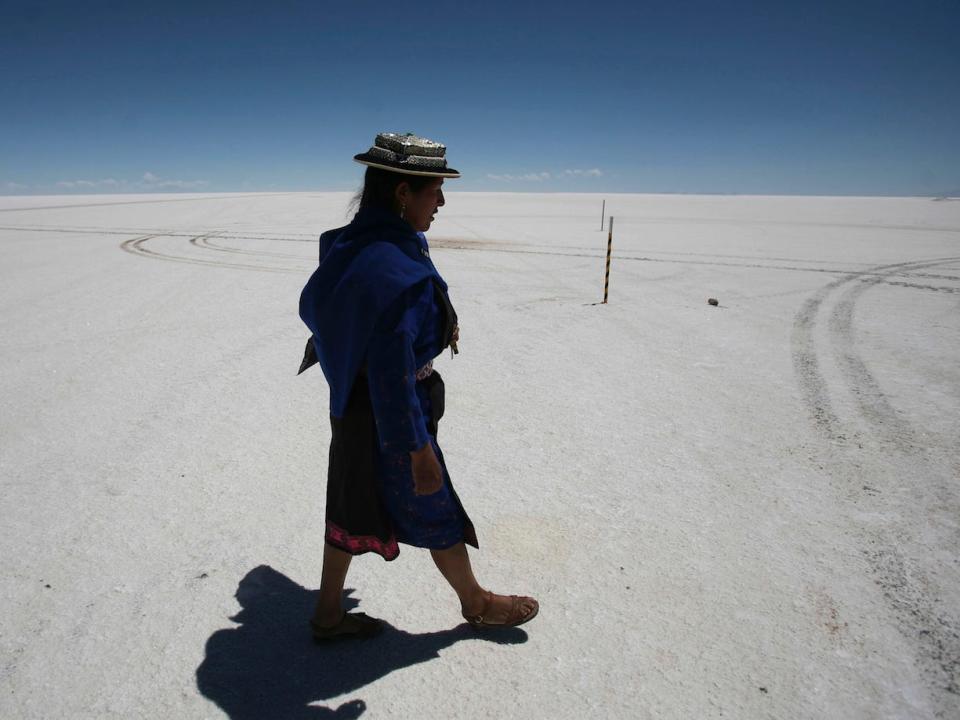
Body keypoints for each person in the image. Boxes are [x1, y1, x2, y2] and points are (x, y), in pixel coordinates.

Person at [298, 133, 539, 640]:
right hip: (392, 414)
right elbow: (390, 369)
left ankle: (326, 612)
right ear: (403, 192)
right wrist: (417, 449)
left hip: (351, 405)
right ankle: (476, 603)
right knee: (435, 503)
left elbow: (336, 320)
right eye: (436, 190)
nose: (443, 202)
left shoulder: (350, 243)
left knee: (351, 500)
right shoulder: (396, 274)